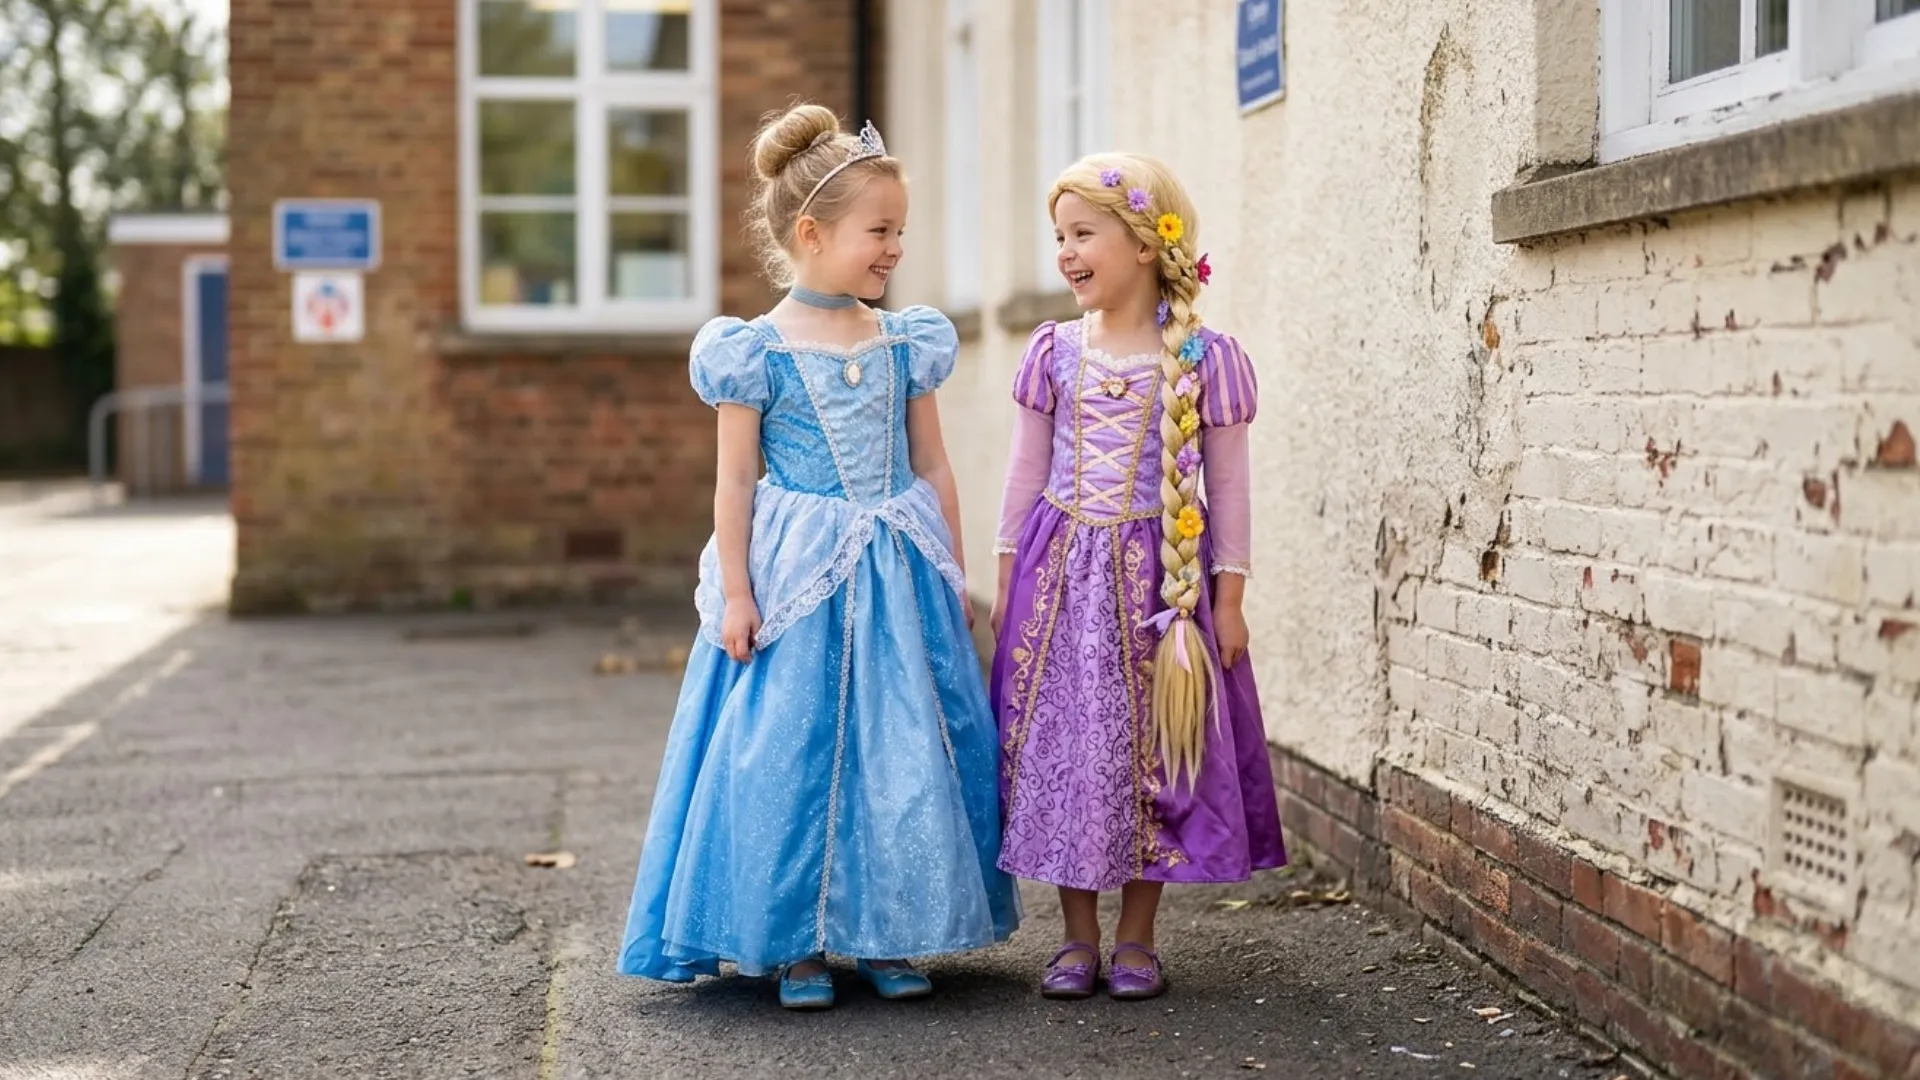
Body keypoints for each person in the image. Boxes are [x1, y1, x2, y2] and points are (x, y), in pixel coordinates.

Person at [617, 103, 1019, 1011]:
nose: (894, 250)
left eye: (899, 232)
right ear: (813, 233)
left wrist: (951, 576)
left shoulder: (903, 341)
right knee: (788, 751)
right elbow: (734, 486)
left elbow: (933, 465)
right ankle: (795, 942)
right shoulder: (751, 352)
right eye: (880, 231)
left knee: (898, 749)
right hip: (797, 577)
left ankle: (884, 930)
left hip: (894, 571)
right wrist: (736, 594)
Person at [990, 153, 1287, 1002]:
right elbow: (1023, 474)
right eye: (1059, 237)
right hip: (1063, 583)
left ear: (1146, 244)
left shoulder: (1203, 356)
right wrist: (1008, 576)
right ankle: (1075, 936)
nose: (1066, 253)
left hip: (1166, 587)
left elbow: (1227, 488)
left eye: (1083, 234)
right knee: (1067, 752)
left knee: (1155, 753)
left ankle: (1137, 937)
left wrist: (1228, 599)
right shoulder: (1053, 351)